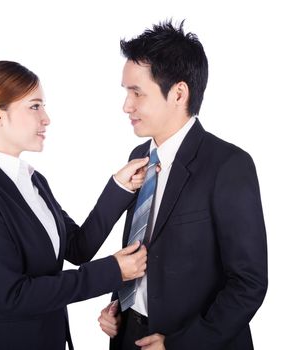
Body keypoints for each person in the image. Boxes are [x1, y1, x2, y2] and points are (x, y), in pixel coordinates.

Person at [0, 60, 150, 350]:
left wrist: (120, 187)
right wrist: (113, 271)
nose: (46, 118)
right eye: (34, 107)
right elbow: (12, 295)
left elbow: (78, 248)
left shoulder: (33, 180)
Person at [98, 20, 267, 350]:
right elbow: (145, 248)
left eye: (137, 93)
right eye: (125, 92)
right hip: (130, 338)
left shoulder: (229, 166)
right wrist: (120, 304)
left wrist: (180, 344)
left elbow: (249, 283)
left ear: (178, 93)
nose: (126, 106)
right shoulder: (139, 157)